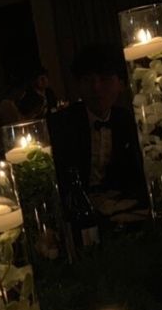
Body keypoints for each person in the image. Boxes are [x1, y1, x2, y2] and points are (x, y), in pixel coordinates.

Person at [47, 44, 146, 201]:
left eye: (105, 79)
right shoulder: (61, 124)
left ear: (121, 84)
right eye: (87, 80)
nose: (96, 87)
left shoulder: (129, 120)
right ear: (78, 85)